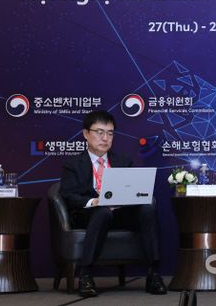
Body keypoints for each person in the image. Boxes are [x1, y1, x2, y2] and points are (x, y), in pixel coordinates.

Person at [60, 110, 167, 297]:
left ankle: (154, 274)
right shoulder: (73, 164)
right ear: (86, 134)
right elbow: (69, 196)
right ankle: (85, 275)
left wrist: (136, 196)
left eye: (110, 133)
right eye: (99, 132)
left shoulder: (124, 161)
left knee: (148, 209)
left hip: (121, 212)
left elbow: (135, 190)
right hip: (91, 214)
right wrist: (95, 201)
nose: (105, 138)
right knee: (102, 212)